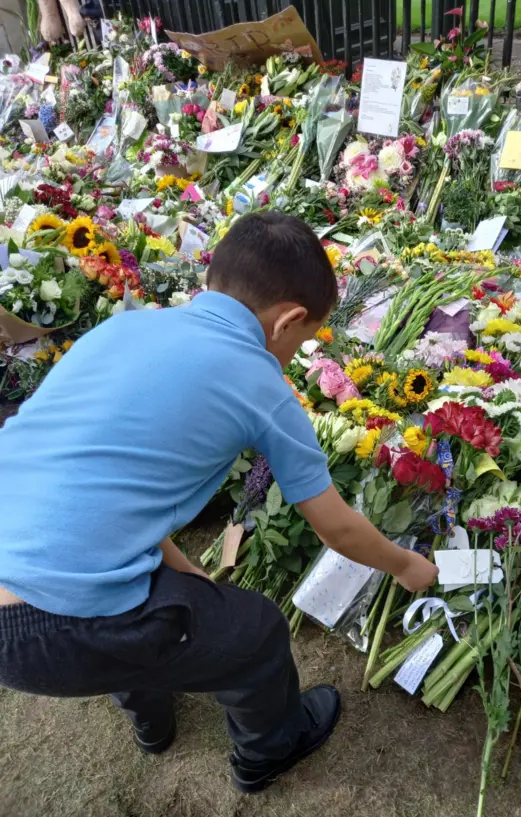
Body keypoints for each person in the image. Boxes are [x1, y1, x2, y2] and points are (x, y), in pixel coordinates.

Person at [0, 212, 438, 793]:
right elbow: (337, 528)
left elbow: (108, 487)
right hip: (51, 629)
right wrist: (408, 567)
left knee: (148, 589)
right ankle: (268, 752)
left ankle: (151, 722)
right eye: (302, 343)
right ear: (290, 320)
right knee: (255, 631)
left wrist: (188, 574)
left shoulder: (125, 329)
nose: (292, 356)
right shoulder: (261, 385)